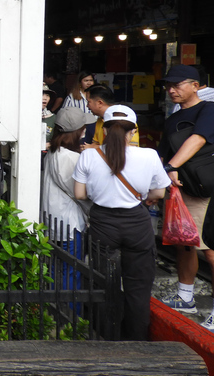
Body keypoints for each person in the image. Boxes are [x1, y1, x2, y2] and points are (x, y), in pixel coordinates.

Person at [73, 105, 170, 340]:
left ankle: (107, 336)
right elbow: (159, 193)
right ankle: (136, 340)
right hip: (136, 223)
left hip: (102, 223)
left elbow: (79, 194)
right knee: (138, 288)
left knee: (104, 283)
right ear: (133, 131)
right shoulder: (149, 155)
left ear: (104, 130)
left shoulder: (88, 155)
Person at [157, 64, 214, 331]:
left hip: (208, 190)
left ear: (196, 86)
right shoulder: (170, 120)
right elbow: (163, 154)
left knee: (211, 250)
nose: (171, 89)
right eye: (169, 85)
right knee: (185, 243)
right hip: (184, 190)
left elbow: (199, 139)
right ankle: (185, 296)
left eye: (178, 84)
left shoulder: (209, 110)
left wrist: (171, 167)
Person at [42, 107, 96, 298]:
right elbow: (80, 193)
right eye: (83, 128)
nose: (85, 131)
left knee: (58, 270)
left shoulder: (54, 152)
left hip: (54, 220)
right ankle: (70, 318)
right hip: (70, 224)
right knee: (71, 272)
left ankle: (58, 313)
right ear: (77, 131)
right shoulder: (72, 158)